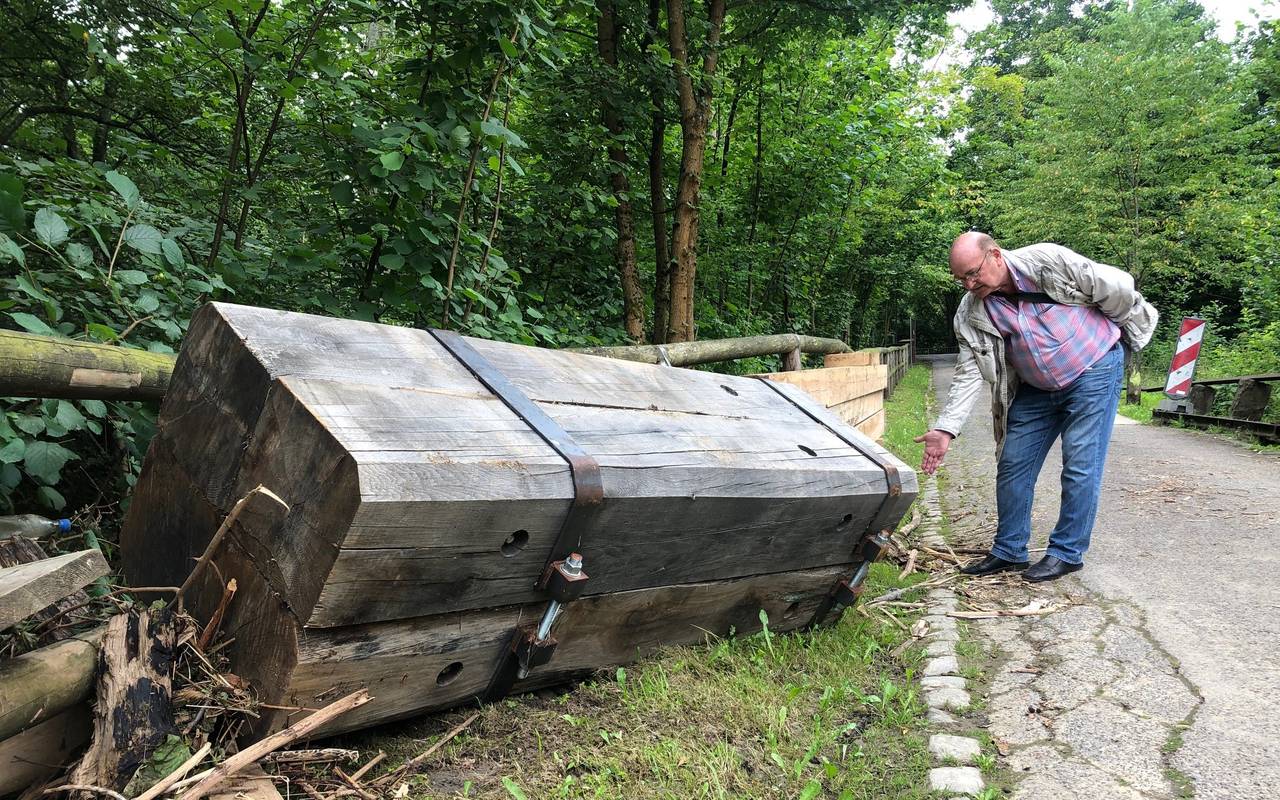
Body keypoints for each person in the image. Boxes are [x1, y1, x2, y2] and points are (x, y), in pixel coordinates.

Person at [915, 233, 1158, 582]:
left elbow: (1117, 286)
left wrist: (1116, 331)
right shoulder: (971, 313)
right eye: (961, 279)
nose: (969, 284)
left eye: (973, 273)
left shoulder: (1047, 261)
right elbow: (969, 371)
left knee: (1079, 463)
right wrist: (944, 429)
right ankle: (1010, 550)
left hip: (1095, 369)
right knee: (1013, 461)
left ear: (995, 255)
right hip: (1036, 390)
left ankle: (1066, 553)